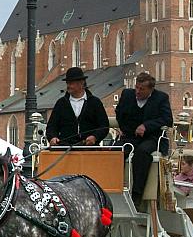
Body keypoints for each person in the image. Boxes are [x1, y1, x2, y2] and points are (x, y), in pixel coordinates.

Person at [115, 72, 173, 207]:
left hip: (152, 137)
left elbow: (167, 120)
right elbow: (119, 113)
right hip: (130, 136)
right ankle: (114, 188)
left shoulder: (161, 98)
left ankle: (137, 194)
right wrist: (124, 128)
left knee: (142, 153)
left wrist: (146, 126)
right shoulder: (127, 95)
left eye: (142, 89)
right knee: (117, 150)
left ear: (151, 89)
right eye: (136, 88)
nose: (138, 92)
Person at [46, 67, 109, 147]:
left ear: (81, 83)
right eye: (67, 83)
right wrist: (52, 137)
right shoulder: (61, 103)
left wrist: (95, 137)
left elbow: (104, 126)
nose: (68, 86)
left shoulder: (95, 102)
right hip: (65, 148)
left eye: (71, 83)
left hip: (89, 149)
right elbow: (51, 126)